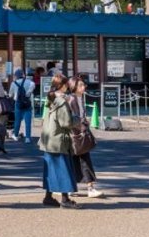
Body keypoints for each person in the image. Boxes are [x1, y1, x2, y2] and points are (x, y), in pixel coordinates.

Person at [40, 73, 80, 209]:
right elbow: (66, 123)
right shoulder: (62, 102)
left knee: (51, 170)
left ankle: (48, 197)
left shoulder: (50, 98)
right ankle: (65, 199)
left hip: (48, 138)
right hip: (59, 140)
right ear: (62, 86)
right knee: (64, 170)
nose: (68, 86)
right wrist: (78, 119)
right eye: (67, 84)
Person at [66, 77, 102, 198]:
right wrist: (82, 126)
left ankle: (72, 187)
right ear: (74, 86)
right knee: (84, 160)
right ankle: (89, 188)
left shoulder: (78, 98)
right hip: (76, 134)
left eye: (83, 85)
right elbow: (73, 118)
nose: (84, 87)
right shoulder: (72, 99)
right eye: (81, 85)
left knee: (77, 160)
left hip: (77, 134)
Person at [9, 68, 36, 143]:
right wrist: (28, 93)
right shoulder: (30, 82)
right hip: (27, 103)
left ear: (16, 76)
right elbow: (32, 87)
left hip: (18, 103)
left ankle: (16, 135)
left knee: (17, 120)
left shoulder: (13, 83)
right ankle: (27, 138)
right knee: (28, 121)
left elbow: (10, 95)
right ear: (23, 75)